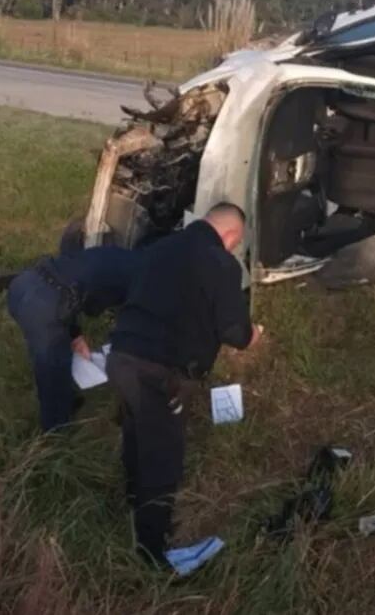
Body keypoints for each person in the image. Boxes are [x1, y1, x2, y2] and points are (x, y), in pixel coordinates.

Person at [104, 202, 264, 573]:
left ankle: (133, 500)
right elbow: (233, 332)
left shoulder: (159, 248)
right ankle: (151, 552)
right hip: (160, 372)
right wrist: (251, 336)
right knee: (164, 458)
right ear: (231, 236)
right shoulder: (221, 263)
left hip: (121, 356)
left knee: (136, 433)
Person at [5, 244, 144, 432]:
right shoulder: (143, 278)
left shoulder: (118, 254)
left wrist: (75, 336)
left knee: (51, 357)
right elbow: (129, 320)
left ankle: (67, 400)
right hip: (45, 307)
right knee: (52, 371)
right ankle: (56, 434)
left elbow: (72, 286)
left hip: (22, 285)